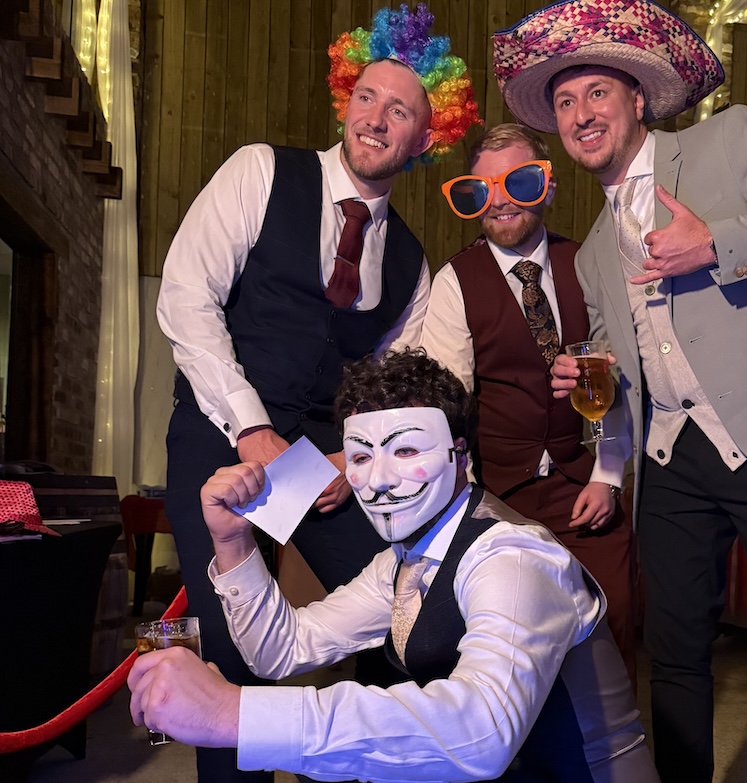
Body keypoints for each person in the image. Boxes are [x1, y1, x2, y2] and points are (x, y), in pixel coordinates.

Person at [492, 1, 747, 782]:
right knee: (673, 662)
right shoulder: (593, 253)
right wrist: (591, 373)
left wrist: (716, 243)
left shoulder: (729, 138)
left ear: (637, 99)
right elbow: (622, 357)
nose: (581, 114)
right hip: (673, 460)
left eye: (597, 93)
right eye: (566, 103)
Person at [155, 5, 481, 780]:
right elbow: (183, 298)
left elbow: (391, 388)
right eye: (366, 96)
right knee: (230, 652)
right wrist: (249, 428)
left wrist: (350, 454)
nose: (377, 117)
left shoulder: (410, 261)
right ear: (345, 99)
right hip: (217, 437)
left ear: (424, 139)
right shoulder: (260, 170)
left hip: (317, 464)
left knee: (399, 625)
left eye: (400, 109)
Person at [128, 348, 659, 783]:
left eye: (405, 451)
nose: (379, 480)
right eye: (360, 457)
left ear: (460, 455)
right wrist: (234, 541)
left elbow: (482, 732)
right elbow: (282, 650)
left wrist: (232, 714)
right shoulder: (404, 560)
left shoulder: (513, 557)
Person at [421, 122, 638, 685]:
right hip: (499, 503)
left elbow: (626, 382)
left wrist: (608, 476)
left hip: (584, 490)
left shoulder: (591, 264)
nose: (500, 201)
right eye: (483, 189)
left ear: (547, 185)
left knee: (615, 639)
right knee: (510, 661)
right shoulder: (455, 282)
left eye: (518, 181)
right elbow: (447, 407)